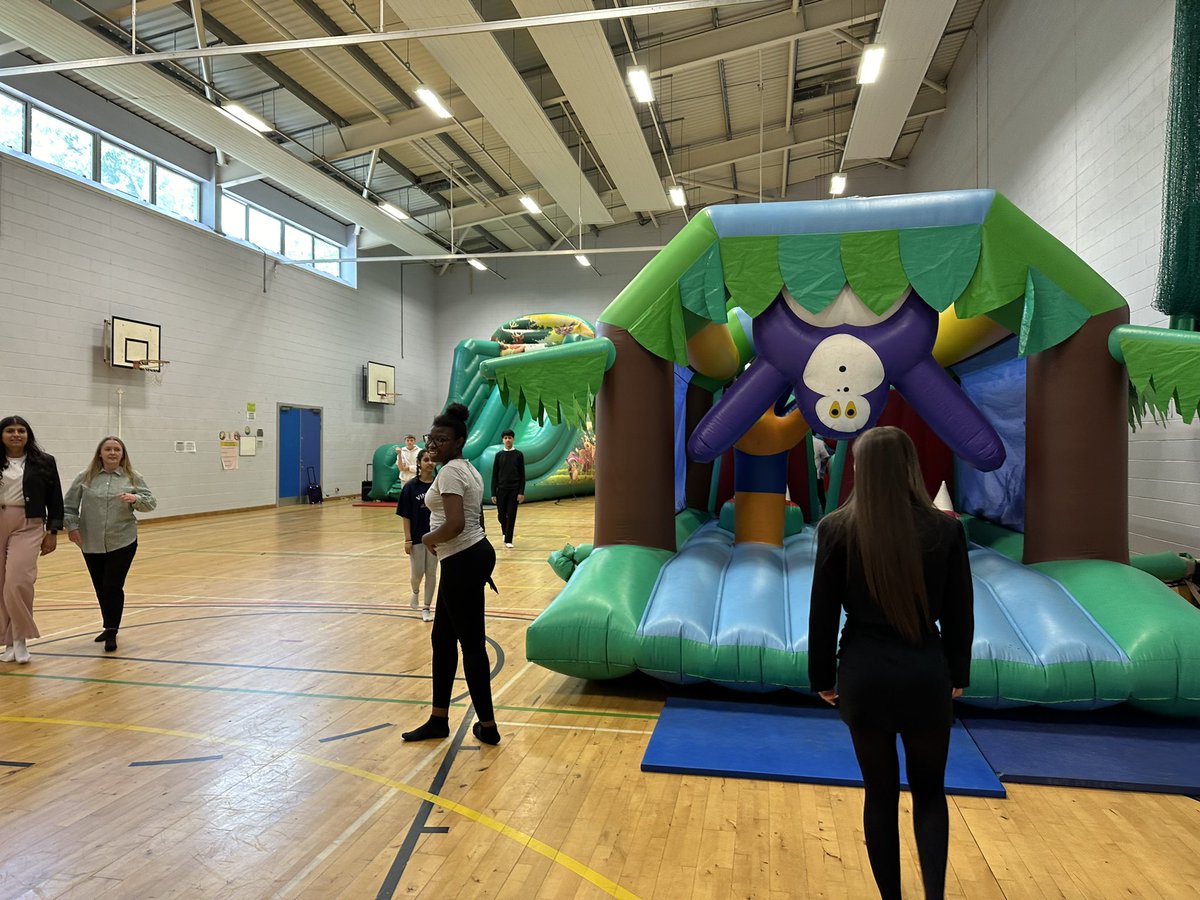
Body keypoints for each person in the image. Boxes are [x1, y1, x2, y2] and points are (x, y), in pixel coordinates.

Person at [808, 426, 974, 900]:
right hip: (925, 672)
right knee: (930, 793)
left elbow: (822, 614)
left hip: (865, 675)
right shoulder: (946, 530)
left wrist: (822, 677)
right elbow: (960, 612)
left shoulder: (836, 529)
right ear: (910, 468)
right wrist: (957, 672)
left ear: (860, 469)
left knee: (879, 797)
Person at [402, 403, 500, 746]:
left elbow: (456, 523)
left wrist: (429, 538)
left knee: (471, 645)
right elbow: (475, 517)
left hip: (463, 558)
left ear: (459, 441)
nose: (433, 444)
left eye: (442, 439)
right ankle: (438, 719)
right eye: (431, 438)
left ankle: (488, 726)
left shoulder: (450, 473)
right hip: (468, 556)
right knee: (442, 640)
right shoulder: (467, 469)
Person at [63, 436, 157, 652]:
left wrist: (136, 499)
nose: (112, 453)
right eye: (108, 449)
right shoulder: (85, 477)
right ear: (100, 453)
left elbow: (151, 503)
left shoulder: (133, 477)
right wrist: (72, 527)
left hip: (123, 540)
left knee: (112, 586)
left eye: (117, 449)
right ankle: (109, 625)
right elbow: (69, 506)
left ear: (123, 454)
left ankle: (112, 630)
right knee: (100, 587)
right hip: (91, 541)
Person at [0, 415, 63, 664]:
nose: (16, 435)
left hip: (29, 524)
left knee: (18, 581)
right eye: (10, 430)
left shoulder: (44, 462)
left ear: (28, 435)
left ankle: (20, 638)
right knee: (1, 583)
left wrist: (53, 531)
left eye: (21, 430)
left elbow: (55, 499)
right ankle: (8, 640)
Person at [397, 449, 437, 622]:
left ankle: (427, 607)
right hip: (417, 536)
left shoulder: (439, 484)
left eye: (432, 460)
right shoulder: (410, 487)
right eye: (426, 460)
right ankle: (415, 591)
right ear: (419, 463)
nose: (430, 463)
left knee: (432, 572)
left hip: (435, 536)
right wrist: (408, 539)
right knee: (418, 573)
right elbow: (405, 515)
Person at [490, 428, 525, 549]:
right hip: (501, 490)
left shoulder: (519, 455)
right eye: (505, 438)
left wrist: (521, 492)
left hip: (514, 490)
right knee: (501, 515)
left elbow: (522, 475)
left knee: (511, 515)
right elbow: (494, 475)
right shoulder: (499, 455)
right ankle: (504, 532)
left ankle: (508, 539)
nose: (507, 440)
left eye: (509, 438)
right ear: (503, 440)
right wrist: (493, 493)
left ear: (513, 439)